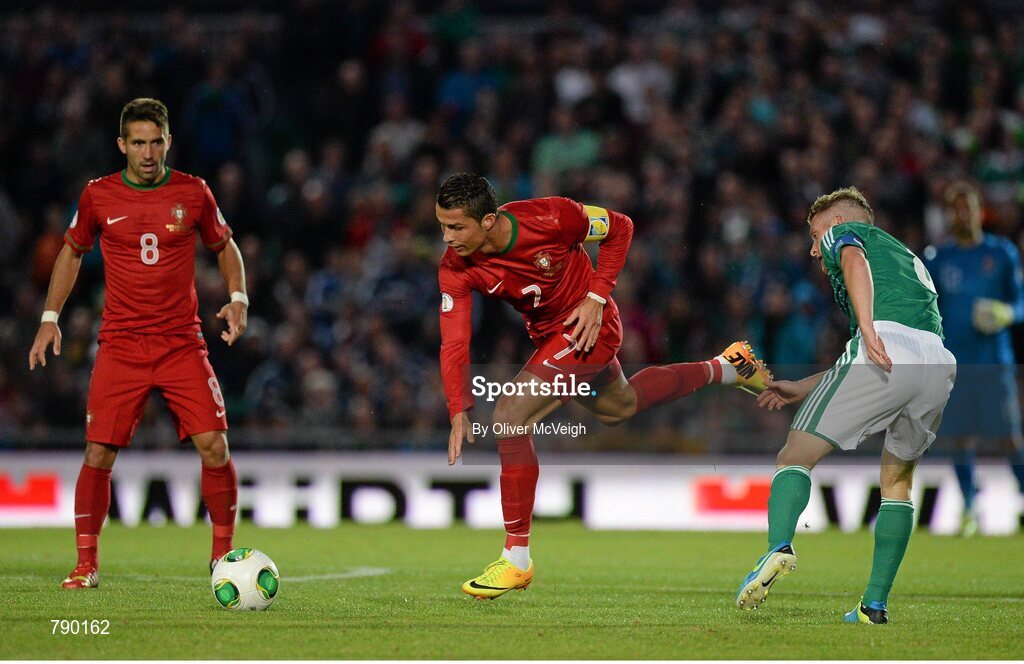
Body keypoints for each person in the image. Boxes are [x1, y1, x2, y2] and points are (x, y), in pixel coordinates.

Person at [437, 172, 772, 599]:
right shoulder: (456, 266)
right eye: (442, 226)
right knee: (621, 406)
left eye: (455, 227)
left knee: (508, 416)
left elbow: (621, 227)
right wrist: (457, 407)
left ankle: (516, 558)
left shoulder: (553, 217)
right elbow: (454, 340)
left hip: (591, 328)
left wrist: (596, 296)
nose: (446, 238)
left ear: (487, 221)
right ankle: (728, 366)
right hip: (548, 339)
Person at [28, 98, 249, 589]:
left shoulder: (194, 192)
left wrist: (238, 297)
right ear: (122, 145)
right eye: (138, 143)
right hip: (121, 345)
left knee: (214, 446)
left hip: (180, 344)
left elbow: (224, 245)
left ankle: (223, 557)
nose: (148, 153)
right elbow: (71, 251)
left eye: (156, 142)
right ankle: (86, 565)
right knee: (98, 454)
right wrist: (50, 317)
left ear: (168, 142)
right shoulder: (98, 196)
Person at [736, 187, 956, 624]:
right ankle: (873, 605)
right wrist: (804, 384)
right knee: (896, 482)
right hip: (938, 363)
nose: (814, 249)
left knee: (794, 456)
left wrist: (869, 328)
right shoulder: (903, 259)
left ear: (836, 223)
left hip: (889, 347)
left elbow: (863, 299)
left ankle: (778, 547)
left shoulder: (848, 236)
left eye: (816, 235)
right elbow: (875, 352)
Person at [924, 182, 1024, 536]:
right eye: (956, 208)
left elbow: (1021, 302)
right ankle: (968, 507)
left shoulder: (1001, 254)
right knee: (960, 437)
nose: (962, 214)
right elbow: (928, 310)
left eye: (967, 207)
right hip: (955, 363)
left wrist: (1007, 313)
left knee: (1010, 437)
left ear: (979, 210)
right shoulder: (938, 259)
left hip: (995, 361)